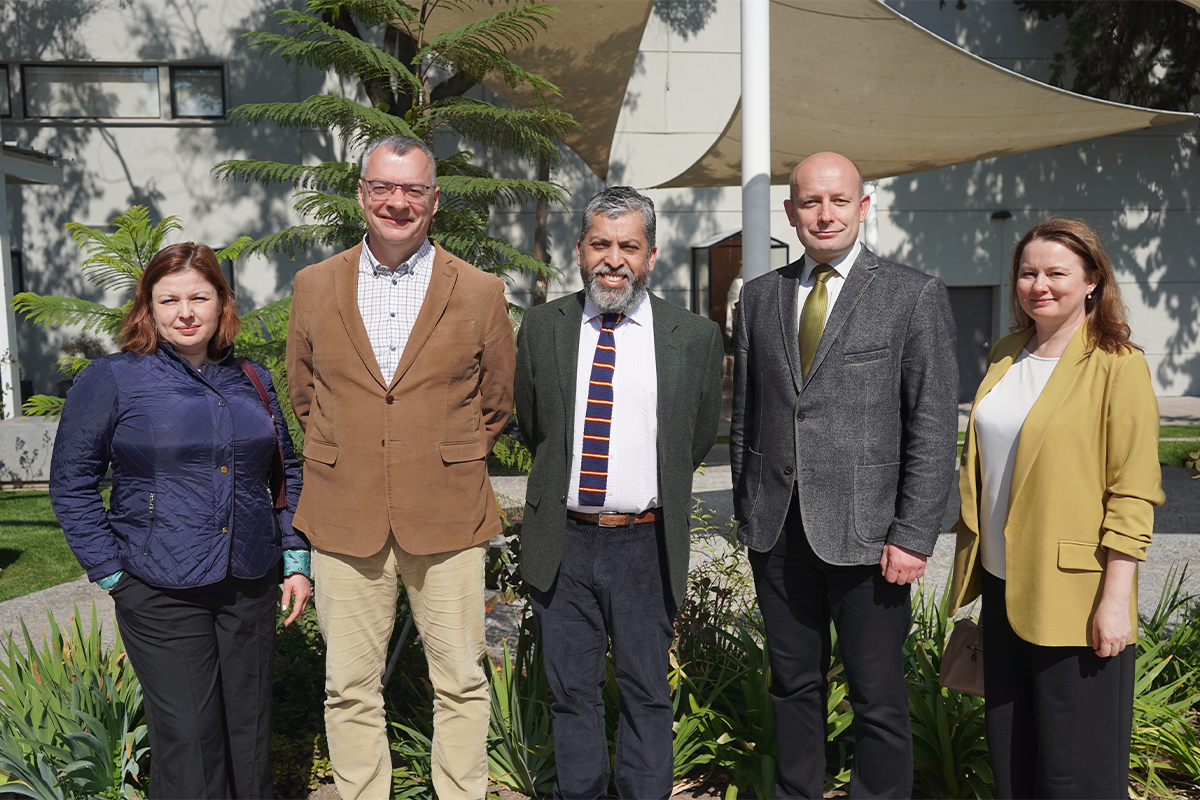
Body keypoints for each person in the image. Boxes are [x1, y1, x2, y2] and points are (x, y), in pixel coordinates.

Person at [286, 133, 514, 800]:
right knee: (348, 686)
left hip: (448, 513)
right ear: (361, 194)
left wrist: (439, 456)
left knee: (461, 681)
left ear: (434, 201)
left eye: (412, 189)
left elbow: (495, 401)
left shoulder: (480, 291)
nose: (397, 201)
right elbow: (306, 394)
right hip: (343, 510)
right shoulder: (314, 285)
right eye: (383, 186)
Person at [730, 151, 959, 798]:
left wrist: (913, 534)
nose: (824, 214)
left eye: (838, 201)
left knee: (877, 696)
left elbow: (932, 425)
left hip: (872, 539)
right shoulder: (760, 298)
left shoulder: (912, 295)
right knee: (791, 686)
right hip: (778, 535)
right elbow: (748, 414)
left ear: (863, 207)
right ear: (791, 212)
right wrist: (750, 511)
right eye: (810, 202)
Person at [49, 242, 309, 799]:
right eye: (169, 300)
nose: (185, 313)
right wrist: (111, 572)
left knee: (249, 730)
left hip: (249, 579)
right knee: (190, 739)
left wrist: (294, 556)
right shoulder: (112, 378)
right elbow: (71, 483)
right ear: (148, 306)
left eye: (199, 297)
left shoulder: (252, 377)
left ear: (222, 303)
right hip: (157, 586)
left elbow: (286, 470)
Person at [515, 185, 723, 799]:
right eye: (600, 244)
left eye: (628, 246)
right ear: (579, 250)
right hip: (564, 540)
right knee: (571, 693)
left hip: (645, 545)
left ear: (651, 255)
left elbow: (693, 439)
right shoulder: (543, 327)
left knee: (647, 692)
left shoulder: (694, 336)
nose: (614, 260)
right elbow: (534, 425)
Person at [947, 218, 1164, 799]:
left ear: (1093, 280)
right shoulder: (1006, 354)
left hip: (1077, 593)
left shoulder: (1119, 365)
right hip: (1002, 583)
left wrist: (1114, 602)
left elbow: (1133, 491)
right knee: (1012, 753)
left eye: (1056, 273)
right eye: (1027, 272)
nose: (1039, 285)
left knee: (1077, 766)